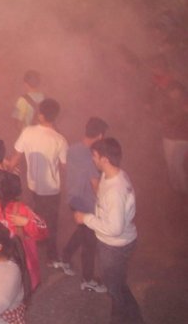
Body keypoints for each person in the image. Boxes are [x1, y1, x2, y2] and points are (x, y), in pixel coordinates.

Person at [74, 138, 144, 324]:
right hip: (117, 242)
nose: (93, 159)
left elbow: (114, 228)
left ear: (105, 159)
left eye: (95, 156)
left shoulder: (115, 191)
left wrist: (86, 218)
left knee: (114, 287)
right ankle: (132, 317)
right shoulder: (112, 174)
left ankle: (123, 318)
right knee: (117, 283)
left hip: (115, 246)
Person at [10, 97, 67, 266]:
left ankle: (31, 251)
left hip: (32, 186)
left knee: (32, 218)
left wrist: (8, 168)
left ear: (40, 115)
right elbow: (65, 167)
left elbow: (15, 158)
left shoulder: (28, 132)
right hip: (52, 190)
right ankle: (51, 256)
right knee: (51, 223)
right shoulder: (60, 140)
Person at [59, 117, 109, 292]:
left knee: (82, 230)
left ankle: (65, 256)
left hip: (73, 198)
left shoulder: (73, 149)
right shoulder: (92, 156)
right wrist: (105, 203)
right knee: (90, 242)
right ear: (100, 135)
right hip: (87, 203)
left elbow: (66, 169)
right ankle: (87, 279)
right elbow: (95, 184)